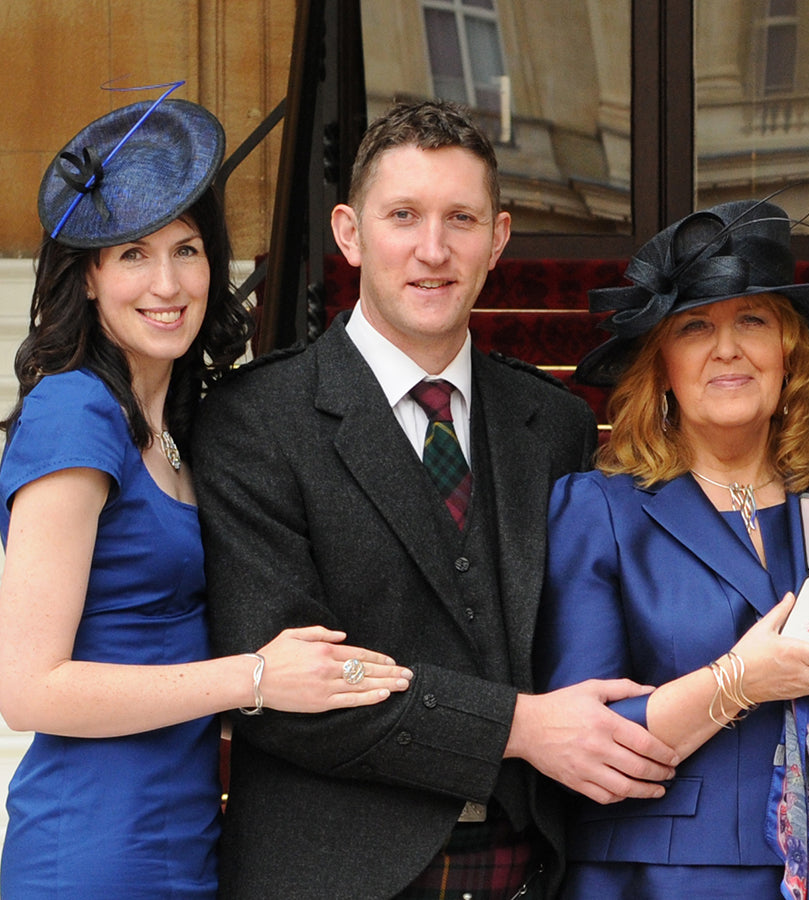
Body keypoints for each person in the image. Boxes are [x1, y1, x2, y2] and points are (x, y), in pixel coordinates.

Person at [193, 99, 679, 899]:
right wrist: (520, 727)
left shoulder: (553, 423)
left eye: (461, 218)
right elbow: (285, 693)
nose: (433, 249)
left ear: (499, 238)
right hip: (333, 874)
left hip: (528, 867)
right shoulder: (255, 422)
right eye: (404, 215)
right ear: (349, 233)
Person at [0, 89, 408, 898]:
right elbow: (26, 687)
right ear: (86, 277)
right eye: (134, 255)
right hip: (94, 849)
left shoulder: (179, 417)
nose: (168, 282)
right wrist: (255, 677)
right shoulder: (74, 412)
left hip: (185, 837)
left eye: (187, 250)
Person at [538, 198, 809, 900]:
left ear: (788, 352)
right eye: (695, 327)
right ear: (660, 366)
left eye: (752, 320)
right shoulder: (598, 510)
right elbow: (588, 738)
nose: (728, 349)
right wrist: (740, 681)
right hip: (664, 875)